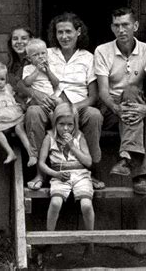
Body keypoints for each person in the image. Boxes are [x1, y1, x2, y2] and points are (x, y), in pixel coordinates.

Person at [24, 13, 104, 191]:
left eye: (68, 31)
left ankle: (91, 172)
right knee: (33, 112)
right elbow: (26, 81)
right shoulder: (47, 53)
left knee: (95, 115)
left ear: (78, 32)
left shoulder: (88, 58)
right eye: (60, 32)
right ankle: (39, 173)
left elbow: (93, 97)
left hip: (77, 107)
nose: (64, 36)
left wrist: (72, 108)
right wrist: (36, 94)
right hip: (50, 106)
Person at [94, 7, 146, 195]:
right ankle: (140, 175)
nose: (121, 30)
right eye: (116, 25)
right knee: (134, 107)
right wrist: (116, 108)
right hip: (110, 107)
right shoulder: (102, 50)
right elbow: (103, 91)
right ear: (112, 28)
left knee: (132, 91)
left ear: (135, 26)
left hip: (135, 104)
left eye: (125, 25)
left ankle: (125, 158)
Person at [38, 103, 94, 250]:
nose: (66, 128)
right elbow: (41, 164)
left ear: (75, 124)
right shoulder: (49, 138)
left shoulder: (79, 137)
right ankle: (48, 240)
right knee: (56, 203)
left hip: (81, 175)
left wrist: (72, 146)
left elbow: (88, 162)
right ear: (55, 122)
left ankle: (91, 241)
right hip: (59, 175)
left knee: (86, 205)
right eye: (61, 124)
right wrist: (55, 174)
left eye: (70, 125)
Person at [0, 61, 36, 166]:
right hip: (1, 121)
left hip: (15, 116)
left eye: (2, 79)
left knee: (19, 128)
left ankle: (31, 153)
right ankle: (10, 152)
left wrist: (23, 104)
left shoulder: (8, 88)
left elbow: (16, 99)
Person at [22, 38, 61, 105]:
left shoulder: (51, 67)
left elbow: (56, 83)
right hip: (35, 98)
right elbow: (27, 83)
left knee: (60, 101)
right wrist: (37, 70)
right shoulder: (28, 68)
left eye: (43, 53)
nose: (40, 57)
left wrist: (48, 71)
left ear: (47, 53)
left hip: (50, 96)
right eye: (35, 55)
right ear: (29, 58)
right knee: (34, 105)